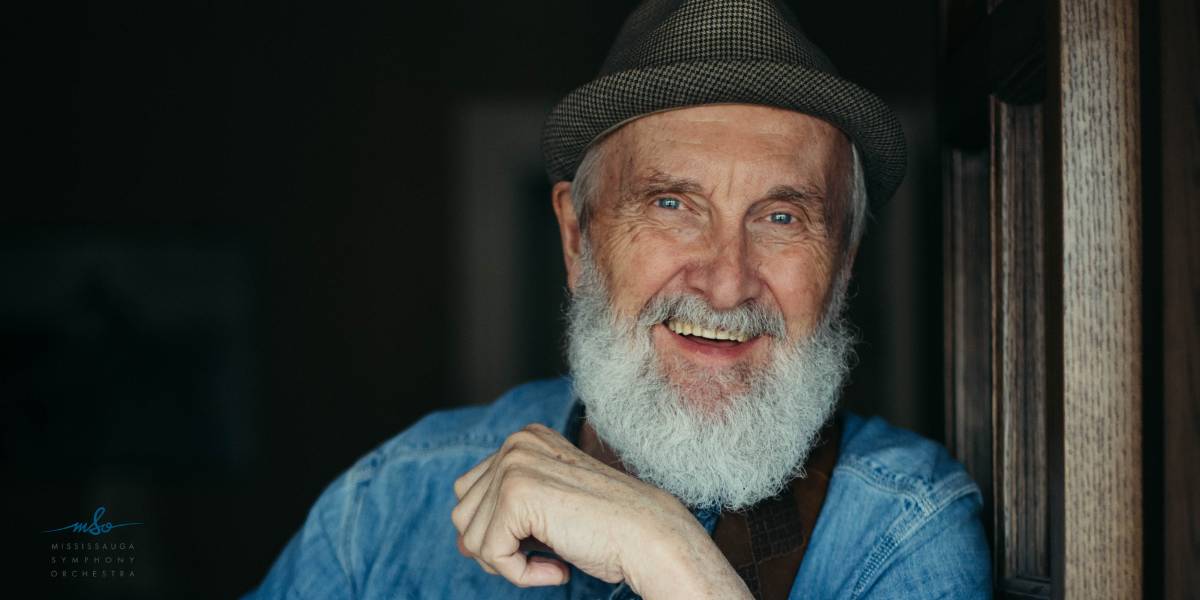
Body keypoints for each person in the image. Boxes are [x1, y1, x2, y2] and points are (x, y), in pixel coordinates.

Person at [248, 0, 991, 598]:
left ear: (844, 267)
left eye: (782, 218)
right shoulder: (391, 505)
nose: (726, 281)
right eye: (672, 204)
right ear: (577, 237)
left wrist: (670, 557)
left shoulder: (904, 529)